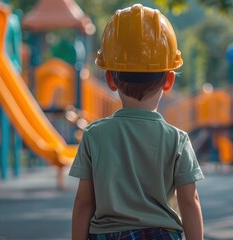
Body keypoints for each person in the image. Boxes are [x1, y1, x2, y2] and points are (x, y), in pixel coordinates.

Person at [69, 4, 204, 240]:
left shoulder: (93, 135)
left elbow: (83, 201)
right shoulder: (177, 140)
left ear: (110, 79)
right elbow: (189, 201)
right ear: (168, 80)